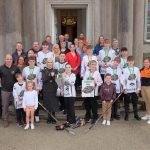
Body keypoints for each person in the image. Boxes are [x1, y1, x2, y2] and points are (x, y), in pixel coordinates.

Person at [0, 54, 20, 127]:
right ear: (5, 59)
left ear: (12, 60)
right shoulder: (1, 68)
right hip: (5, 90)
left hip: (14, 90)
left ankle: (18, 119)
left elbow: (19, 78)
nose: (9, 60)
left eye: (10, 59)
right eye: (7, 59)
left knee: (16, 105)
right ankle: (5, 119)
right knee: (5, 105)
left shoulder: (16, 68)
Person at [22, 56, 42, 122]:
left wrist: (39, 88)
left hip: (35, 88)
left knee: (35, 102)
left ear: (35, 62)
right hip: (28, 89)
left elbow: (40, 79)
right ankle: (28, 117)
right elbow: (23, 79)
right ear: (28, 62)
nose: (32, 62)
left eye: (33, 61)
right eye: (30, 61)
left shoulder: (38, 69)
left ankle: (36, 115)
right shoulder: (25, 69)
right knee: (28, 102)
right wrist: (24, 87)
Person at [122, 56, 141, 121]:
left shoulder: (137, 69)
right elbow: (123, 80)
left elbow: (138, 80)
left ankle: (136, 115)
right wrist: (124, 88)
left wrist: (138, 88)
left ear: (133, 61)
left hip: (135, 90)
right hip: (127, 90)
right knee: (126, 103)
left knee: (135, 103)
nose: (131, 62)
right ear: (127, 61)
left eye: (132, 61)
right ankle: (126, 115)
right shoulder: (124, 70)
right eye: (129, 61)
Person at [42, 59, 59, 124]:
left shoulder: (56, 70)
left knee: (54, 103)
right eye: (48, 62)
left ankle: (53, 117)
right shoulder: (43, 71)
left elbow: (58, 79)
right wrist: (50, 75)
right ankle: (49, 117)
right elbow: (44, 80)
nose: (50, 63)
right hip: (46, 89)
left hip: (54, 88)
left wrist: (54, 76)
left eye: (51, 62)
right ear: (46, 63)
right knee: (48, 103)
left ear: (53, 63)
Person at [140, 57, 150, 124]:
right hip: (143, 87)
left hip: (149, 87)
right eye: (145, 62)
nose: (146, 63)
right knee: (146, 101)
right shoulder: (141, 70)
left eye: (147, 62)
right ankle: (148, 114)